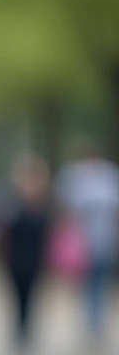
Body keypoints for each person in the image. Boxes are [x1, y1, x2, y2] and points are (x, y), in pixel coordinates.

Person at [56, 142, 119, 341]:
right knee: (85, 282)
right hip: (80, 242)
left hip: (103, 240)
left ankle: (95, 320)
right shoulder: (73, 177)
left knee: (99, 280)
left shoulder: (109, 175)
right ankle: (90, 319)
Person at [0, 153, 51, 350]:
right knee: (16, 296)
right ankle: (19, 328)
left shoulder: (43, 204)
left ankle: (26, 329)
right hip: (14, 259)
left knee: (31, 296)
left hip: (35, 259)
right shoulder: (11, 202)